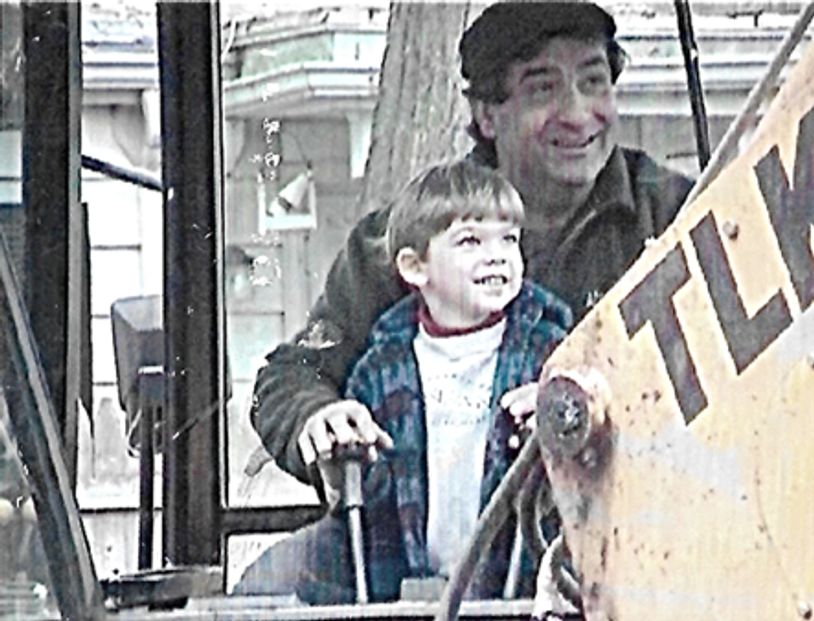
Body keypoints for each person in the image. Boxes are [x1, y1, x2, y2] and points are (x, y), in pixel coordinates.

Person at [250, 0, 692, 496]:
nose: (576, 114)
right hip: (443, 537)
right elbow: (291, 375)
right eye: (543, 89)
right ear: (486, 115)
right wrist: (318, 418)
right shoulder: (408, 235)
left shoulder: (677, 215)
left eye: (594, 82)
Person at [236, 160, 572, 602]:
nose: (497, 255)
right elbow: (370, 493)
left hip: (522, 581)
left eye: (509, 239)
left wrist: (561, 411)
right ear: (414, 267)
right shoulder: (381, 369)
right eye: (470, 241)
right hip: (403, 580)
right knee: (266, 584)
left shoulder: (553, 353)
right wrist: (343, 456)